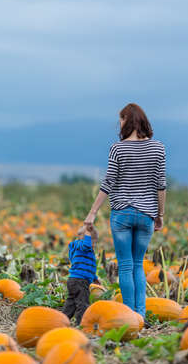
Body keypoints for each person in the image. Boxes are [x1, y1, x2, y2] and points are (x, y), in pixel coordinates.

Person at [83, 103, 166, 322]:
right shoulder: (158, 148)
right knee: (139, 265)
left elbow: (108, 183)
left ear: (128, 120)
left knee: (126, 266)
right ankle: (140, 314)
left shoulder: (118, 148)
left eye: (121, 119)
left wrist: (92, 213)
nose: (119, 123)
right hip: (147, 214)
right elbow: (161, 185)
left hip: (121, 214)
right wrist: (160, 214)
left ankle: (129, 317)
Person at [62, 224, 100, 325]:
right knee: (83, 303)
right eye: (93, 242)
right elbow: (86, 245)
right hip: (80, 281)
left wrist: (95, 278)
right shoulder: (80, 245)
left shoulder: (82, 250)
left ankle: (62, 320)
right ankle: (81, 324)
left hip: (74, 280)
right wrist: (88, 232)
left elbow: (89, 267)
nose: (93, 245)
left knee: (71, 303)